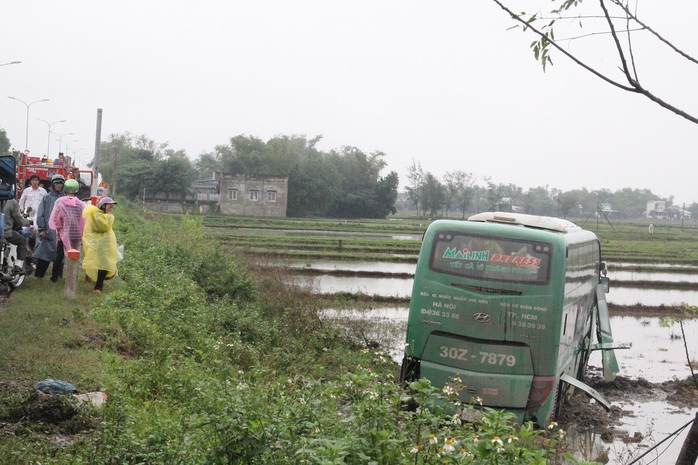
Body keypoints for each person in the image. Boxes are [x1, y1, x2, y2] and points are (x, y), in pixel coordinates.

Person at [82, 197, 118, 294]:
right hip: (101, 244)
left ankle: (99, 286)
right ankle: (98, 287)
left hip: (104, 245)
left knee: (104, 265)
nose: (111, 209)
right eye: (109, 206)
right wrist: (110, 216)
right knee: (103, 265)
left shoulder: (100, 215)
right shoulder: (98, 216)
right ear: (103, 206)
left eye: (112, 207)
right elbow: (103, 226)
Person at [34, 174, 66, 282]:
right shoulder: (47, 197)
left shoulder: (66, 198)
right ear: (53, 184)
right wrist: (42, 229)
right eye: (56, 183)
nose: (58, 185)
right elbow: (41, 214)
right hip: (48, 231)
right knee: (44, 254)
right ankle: (39, 275)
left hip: (62, 232)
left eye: (60, 183)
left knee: (60, 256)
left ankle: (56, 277)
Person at [49, 179, 86, 255]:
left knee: (59, 256)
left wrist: (58, 231)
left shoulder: (60, 202)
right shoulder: (80, 204)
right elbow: (83, 220)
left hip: (64, 233)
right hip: (76, 234)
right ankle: (72, 267)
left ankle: (59, 267)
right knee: (75, 255)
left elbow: (55, 218)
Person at [2, 197, 32, 274]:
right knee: (22, 240)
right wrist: (28, 222)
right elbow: (18, 219)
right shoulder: (11, 202)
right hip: (4, 232)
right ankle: (18, 265)